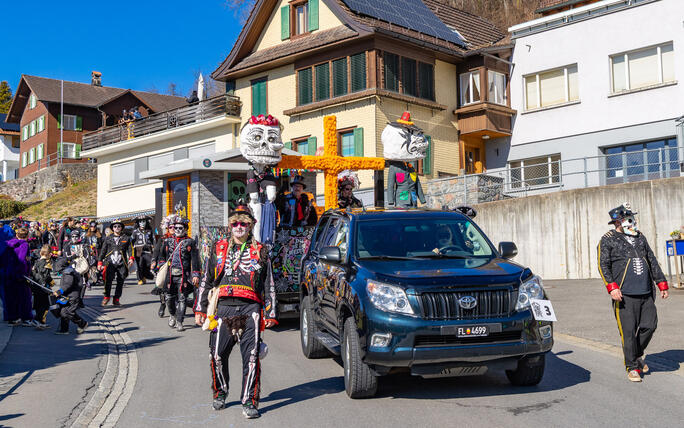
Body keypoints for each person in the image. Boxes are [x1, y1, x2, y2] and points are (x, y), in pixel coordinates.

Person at [197, 204, 277, 419]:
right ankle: (220, 391)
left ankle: (250, 400)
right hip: (223, 309)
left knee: (251, 357)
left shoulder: (261, 250)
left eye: (243, 223)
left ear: (250, 226)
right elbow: (207, 278)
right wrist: (201, 308)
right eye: (235, 223)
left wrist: (270, 313)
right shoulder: (219, 248)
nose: (239, 227)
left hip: (251, 308)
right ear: (230, 226)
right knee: (217, 354)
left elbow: (269, 283)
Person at [598, 203, 669, 383]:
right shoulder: (608, 239)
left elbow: (651, 259)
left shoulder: (640, 237)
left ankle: (636, 355)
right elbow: (603, 264)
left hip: (645, 291)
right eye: (628, 219)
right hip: (624, 294)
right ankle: (632, 367)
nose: (632, 222)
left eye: (632, 218)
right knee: (628, 332)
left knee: (650, 325)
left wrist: (661, 282)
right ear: (618, 222)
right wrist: (612, 287)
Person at [155, 217, 200, 332]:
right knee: (169, 298)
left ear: (185, 229)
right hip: (170, 274)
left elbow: (195, 260)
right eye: (175, 228)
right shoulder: (167, 241)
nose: (178, 230)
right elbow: (161, 256)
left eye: (180, 228)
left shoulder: (190, 242)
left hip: (183, 275)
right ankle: (172, 315)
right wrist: (161, 265)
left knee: (182, 299)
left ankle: (180, 321)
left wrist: (195, 274)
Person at [98, 219, 133, 306]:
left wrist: (131, 258)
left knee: (120, 281)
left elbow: (130, 249)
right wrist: (99, 262)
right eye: (115, 226)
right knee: (108, 280)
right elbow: (103, 250)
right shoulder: (108, 238)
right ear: (112, 228)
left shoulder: (126, 238)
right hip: (110, 262)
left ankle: (116, 299)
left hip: (122, 262)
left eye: (119, 226)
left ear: (121, 228)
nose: (117, 228)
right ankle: (106, 297)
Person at [3, 228, 34, 326]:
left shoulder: (7, 244)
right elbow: (22, 260)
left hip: (7, 273)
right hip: (20, 274)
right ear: (27, 236)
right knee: (24, 297)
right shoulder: (24, 245)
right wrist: (24, 273)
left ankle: (12, 317)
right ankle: (26, 318)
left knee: (11, 297)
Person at [52, 257, 88, 335]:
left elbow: (68, 284)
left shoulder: (68, 273)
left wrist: (59, 291)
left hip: (73, 296)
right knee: (63, 312)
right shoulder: (69, 271)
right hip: (68, 295)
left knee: (69, 312)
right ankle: (64, 329)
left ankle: (82, 323)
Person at [31, 245, 54, 329]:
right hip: (42, 287)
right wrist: (51, 282)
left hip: (36, 287)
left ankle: (40, 321)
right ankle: (38, 320)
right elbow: (46, 276)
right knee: (45, 305)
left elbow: (33, 273)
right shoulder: (46, 263)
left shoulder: (36, 262)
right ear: (49, 254)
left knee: (37, 304)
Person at [131, 216, 155, 285]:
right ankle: (140, 278)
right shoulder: (135, 232)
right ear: (138, 223)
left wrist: (154, 247)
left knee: (148, 264)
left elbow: (153, 240)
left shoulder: (150, 231)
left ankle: (145, 275)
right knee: (139, 265)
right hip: (138, 250)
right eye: (140, 222)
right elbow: (131, 241)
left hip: (148, 250)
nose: (142, 223)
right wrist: (132, 249)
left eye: (144, 221)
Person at [84, 221, 103, 287]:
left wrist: (98, 245)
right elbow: (84, 243)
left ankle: (96, 280)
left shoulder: (99, 235)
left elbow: (102, 244)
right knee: (88, 266)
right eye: (91, 226)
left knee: (97, 266)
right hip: (89, 253)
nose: (93, 228)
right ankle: (87, 280)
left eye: (94, 226)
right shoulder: (87, 235)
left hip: (97, 253)